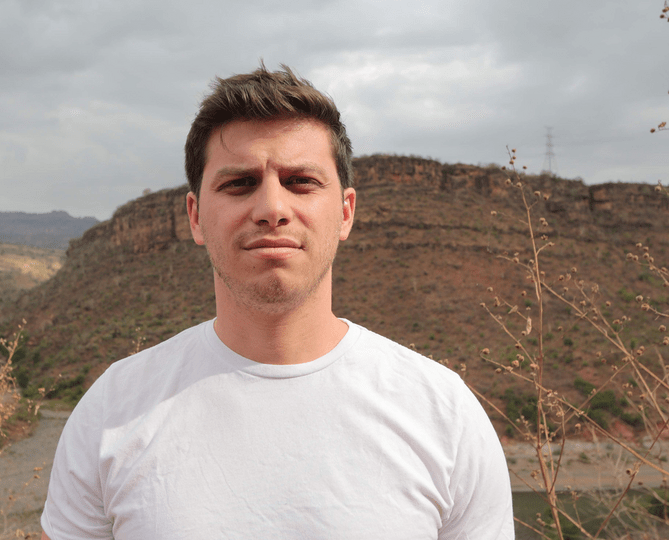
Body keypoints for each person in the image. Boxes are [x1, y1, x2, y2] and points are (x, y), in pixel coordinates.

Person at [40, 64, 514, 539]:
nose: (272, 209)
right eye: (239, 183)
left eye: (300, 181)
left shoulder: (443, 414)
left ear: (345, 212)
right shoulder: (112, 412)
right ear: (195, 217)